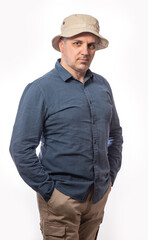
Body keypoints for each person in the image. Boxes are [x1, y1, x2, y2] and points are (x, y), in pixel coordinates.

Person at [9, 14, 123, 240]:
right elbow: (20, 149)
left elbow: (115, 136)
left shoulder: (102, 86)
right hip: (62, 201)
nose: (85, 51)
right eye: (77, 43)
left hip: (98, 197)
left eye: (91, 45)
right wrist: (51, 193)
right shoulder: (40, 89)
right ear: (62, 45)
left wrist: (110, 177)